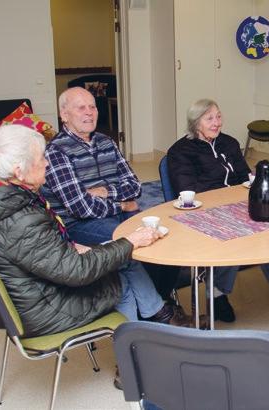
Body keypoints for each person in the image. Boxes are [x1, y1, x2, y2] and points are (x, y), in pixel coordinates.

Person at [0, 125, 190, 338]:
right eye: (40, 158)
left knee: (121, 259)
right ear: (18, 171)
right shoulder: (20, 219)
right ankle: (136, 358)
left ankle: (158, 318)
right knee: (122, 280)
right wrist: (130, 241)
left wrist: (73, 247)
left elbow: (33, 250)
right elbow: (76, 271)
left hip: (29, 288)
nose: (47, 163)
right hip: (44, 307)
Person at [166, 99, 269, 331]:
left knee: (267, 232)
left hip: (239, 207)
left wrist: (255, 183)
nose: (217, 122)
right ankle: (218, 295)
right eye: (210, 118)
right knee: (242, 234)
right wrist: (228, 200)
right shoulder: (181, 151)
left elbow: (244, 175)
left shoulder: (229, 143)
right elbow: (188, 189)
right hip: (207, 214)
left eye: (218, 116)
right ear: (195, 123)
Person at [41, 87, 184, 308]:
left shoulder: (106, 142)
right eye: (81, 107)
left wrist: (106, 191)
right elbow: (80, 207)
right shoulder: (56, 152)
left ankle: (160, 299)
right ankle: (160, 311)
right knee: (130, 245)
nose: (89, 112)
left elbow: (134, 186)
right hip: (80, 225)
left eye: (93, 106)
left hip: (117, 214)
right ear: (64, 115)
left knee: (162, 239)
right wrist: (122, 205)